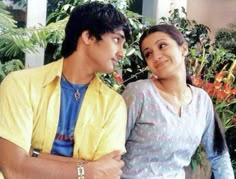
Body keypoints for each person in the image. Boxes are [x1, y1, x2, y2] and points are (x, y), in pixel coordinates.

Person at [0, 1, 131, 179]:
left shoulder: (113, 104)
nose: (122, 53)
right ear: (88, 36)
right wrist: (86, 170)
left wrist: (34, 155)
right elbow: (14, 169)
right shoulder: (21, 85)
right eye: (117, 40)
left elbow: (106, 172)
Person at [121, 24, 234, 179]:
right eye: (148, 54)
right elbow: (110, 151)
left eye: (162, 46)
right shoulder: (139, 93)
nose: (156, 56)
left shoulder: (201, 101)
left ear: (184, 49)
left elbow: (219, 155)